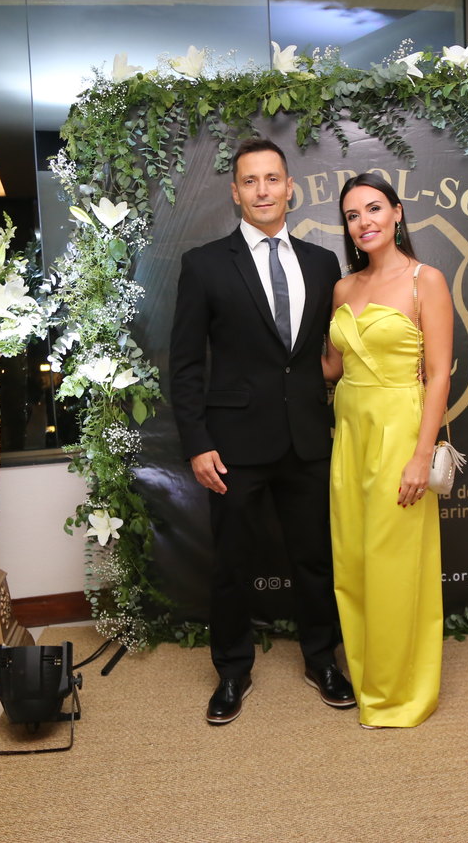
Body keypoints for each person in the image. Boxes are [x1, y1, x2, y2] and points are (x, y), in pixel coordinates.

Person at [170, 139, 356, 725]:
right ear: (235, 193)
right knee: (232, 563)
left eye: (272, 178)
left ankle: (323, 660)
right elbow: (185, 364)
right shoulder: (204, 264)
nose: (263, 190)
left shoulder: (323, 264)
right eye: (250, 181)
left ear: (289, 187)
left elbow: (329, 353)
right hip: (232, 445)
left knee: (315, 558)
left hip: (308, 438)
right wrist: (198, 442)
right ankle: (232, 670)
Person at [322, 173, 452, 728]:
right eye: (353, 215)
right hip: (350, 434)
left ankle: (398, 692)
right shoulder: (343, 289)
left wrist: (421, 456)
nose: (364, 222)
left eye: (374, 208)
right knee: (353, 561)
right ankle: (367, 676)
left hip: (400, 431)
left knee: (394, 562)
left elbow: (439, 374)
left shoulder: (427, 281)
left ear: (397, 213)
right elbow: (332, 368)